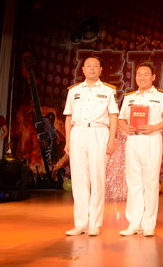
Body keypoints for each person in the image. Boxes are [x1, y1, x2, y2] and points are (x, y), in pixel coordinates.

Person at [118, 62, 163, 237]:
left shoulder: (161, 96)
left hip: (151, 139)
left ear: (153, 77)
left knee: (150, 182)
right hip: (133, 140)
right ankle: (133, 223)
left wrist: (154, 127)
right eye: (139, 74)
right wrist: (125, 127)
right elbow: (121, 119)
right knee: (133, 182)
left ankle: (148, 224)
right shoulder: (129, 97)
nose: (142, 77)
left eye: (146, 74)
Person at [63, 57, 119, 236]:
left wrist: (112, 139)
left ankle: (94, 223)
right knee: (79, 179)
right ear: (83, 70)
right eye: (88, 66)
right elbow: (68, 117)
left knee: (97, 178)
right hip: (78, 132)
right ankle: (80, 223)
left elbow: (113, 116)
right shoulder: (74, 91)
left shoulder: (108, 90)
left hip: (98, 132)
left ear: (101, 69)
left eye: (96, 66)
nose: (92, 69)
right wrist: (68, 141)